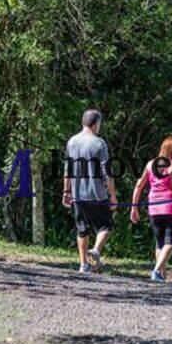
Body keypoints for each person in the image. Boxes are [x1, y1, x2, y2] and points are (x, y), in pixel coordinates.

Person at [63, 108, 118, 273]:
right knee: (105, 226)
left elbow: (68, 169)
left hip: (78, 194)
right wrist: (113, 196)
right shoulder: (99, 144)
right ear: (96, 124)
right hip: (96, 194)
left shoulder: (72, 142)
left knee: (82, 229)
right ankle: (95, 251)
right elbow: (106, 173)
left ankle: (83, 265)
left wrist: (66, 192)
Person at [130, 136, 172, 282]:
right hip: (170, 209)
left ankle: (162, 276)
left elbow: (138, 186)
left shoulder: (150, 165)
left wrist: (134, 207)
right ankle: (156, 271)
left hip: (154, 209)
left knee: (160, 243)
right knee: (170, 242)